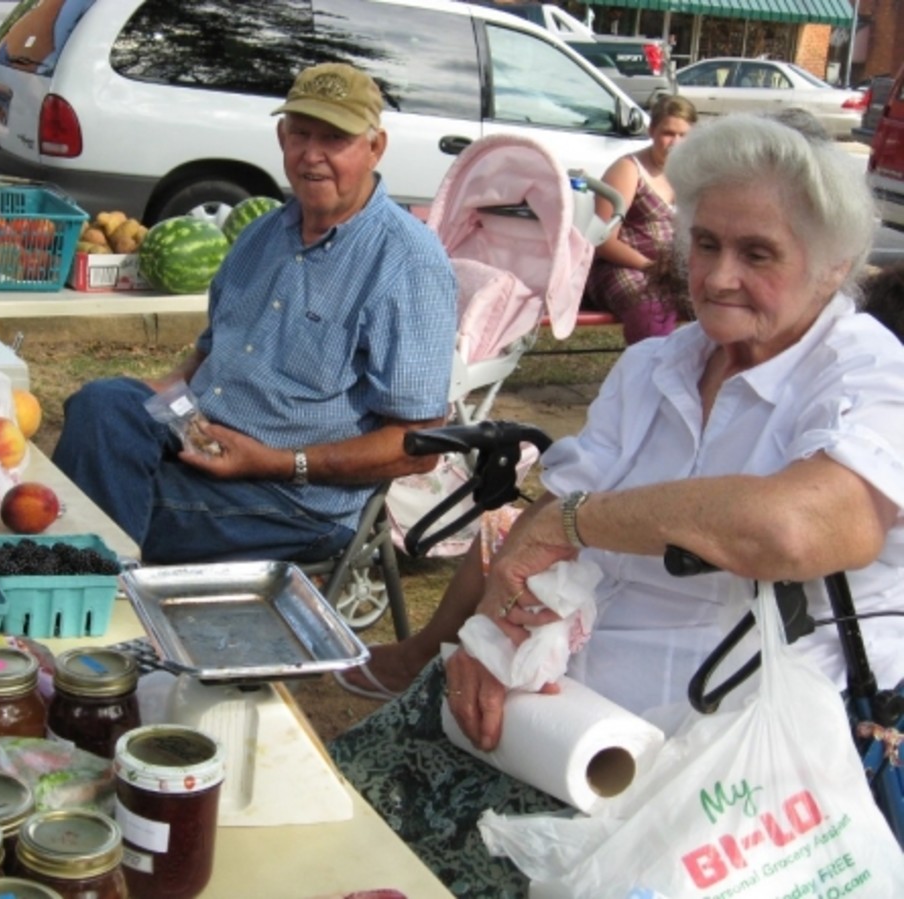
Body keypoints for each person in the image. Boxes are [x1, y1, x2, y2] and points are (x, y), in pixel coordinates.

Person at [328, 113, 904, 896]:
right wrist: (495, 635)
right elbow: (542, 527)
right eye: (706, 244)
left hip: (729, 758)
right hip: (563, 711)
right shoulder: (658, 365)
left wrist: (578, 522)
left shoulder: (868, 373)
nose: (718, 276)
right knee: (347, 825)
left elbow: (796, 527)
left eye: (758, 253)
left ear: (833, 267)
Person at [52, 62, 458, 565]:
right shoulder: (262, 233)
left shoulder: (407, 262)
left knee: (84, 504)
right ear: (282, 136)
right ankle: (96, 575)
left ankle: (101, 593)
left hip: (290, 500)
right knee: (101, 404)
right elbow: (206, 358)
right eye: (301, 134)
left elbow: (417, 445)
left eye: (335, 138)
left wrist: (277, 463)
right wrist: (152, 400)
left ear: (375, 147)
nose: (312, 155)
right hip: (200, 438)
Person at [583, 94, 698, 344]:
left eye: (683, 135)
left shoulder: (692, 173)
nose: (675, 143)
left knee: (717, 301)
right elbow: (602, 239)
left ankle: (703, 366)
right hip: (621, 267)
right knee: (651, 310)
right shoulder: (629, 169)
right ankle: (649, 367)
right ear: (652, 131)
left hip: (673, 270)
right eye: (668, 133)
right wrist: (651, 267)